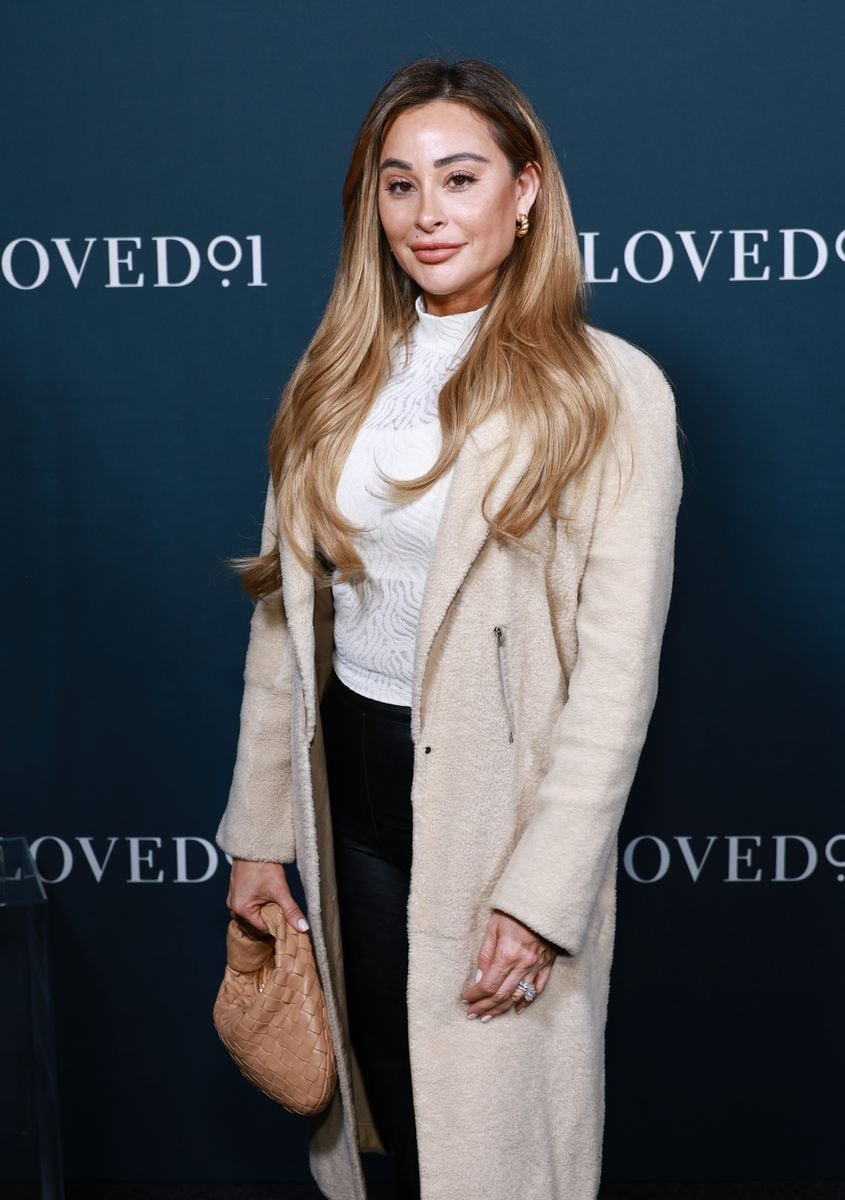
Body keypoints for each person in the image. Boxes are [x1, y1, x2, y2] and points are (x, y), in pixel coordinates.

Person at [215, 56, 684, 1200]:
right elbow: (286, 626)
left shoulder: (610, 392)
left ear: (525, 193)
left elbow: (614, 683)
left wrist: (540, 895)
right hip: (353, 804)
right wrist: (260, 836)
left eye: (460, 178)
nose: (427, 215)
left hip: (495, 807)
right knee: (395, 1115)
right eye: (398, 184)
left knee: (493, 1138)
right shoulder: (334, 375)